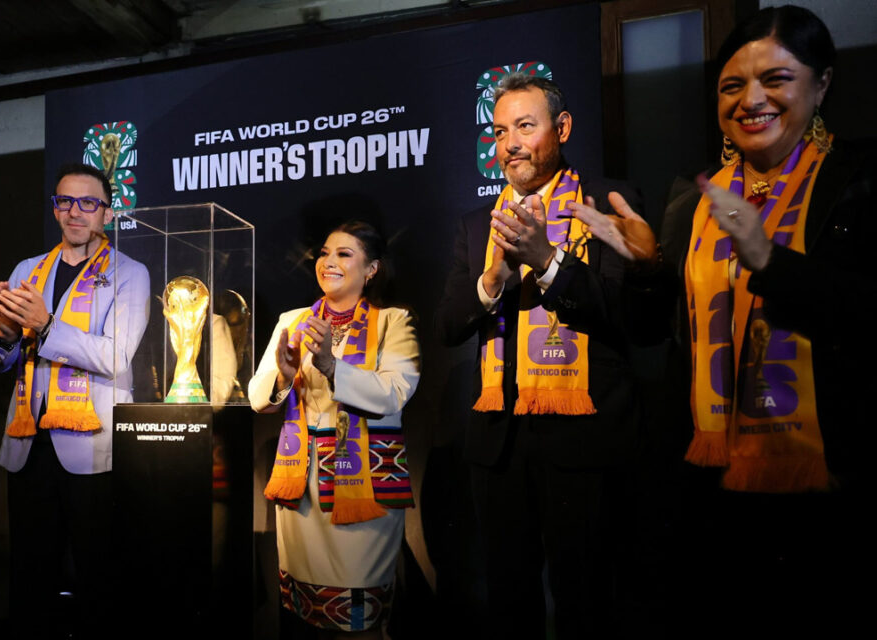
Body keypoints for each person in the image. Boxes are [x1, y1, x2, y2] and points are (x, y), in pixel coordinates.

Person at [577, 5, 875, 634]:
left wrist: (770, 262)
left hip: (827, 480)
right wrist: (647, 268)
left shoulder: (860, 181)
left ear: (822, 83)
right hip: (708, 489)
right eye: (732, 86)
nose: (752, 100)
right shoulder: (695, 199)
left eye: (777, 79)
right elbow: (651, 333)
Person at [436, 73, 642, 637]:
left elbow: (627, 315)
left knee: (587, 600)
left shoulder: (608, 202)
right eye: (500, 131)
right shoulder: (477, 224)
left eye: (525, 126)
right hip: (498, 445)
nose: (510, 144)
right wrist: (492, 281)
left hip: (585, 440)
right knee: (508, 601)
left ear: (563, 128)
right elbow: (448, 326)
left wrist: (548, 262)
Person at [0, 162, 150, 638]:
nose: (76, 212)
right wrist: (6, 334)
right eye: (65, 201)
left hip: (91, 446)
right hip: (28, 442)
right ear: (55, 209)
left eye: (88, 203)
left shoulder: (129, 273)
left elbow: (115, 357)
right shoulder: (28, 269)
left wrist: (47, 326)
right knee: (29, 573)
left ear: (108, 213)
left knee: (97, 571)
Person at [250, 221, 419, 638]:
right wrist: (284, 376)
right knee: (304, 618)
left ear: (372, 269)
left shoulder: (393, 321)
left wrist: (330, 365)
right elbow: (258, 398)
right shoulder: (294, 320)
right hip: (302, 484)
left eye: (345, 254)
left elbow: (394, 393)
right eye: (325, 253)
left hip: (364, 489)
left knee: (359, 618)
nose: (329, 261)